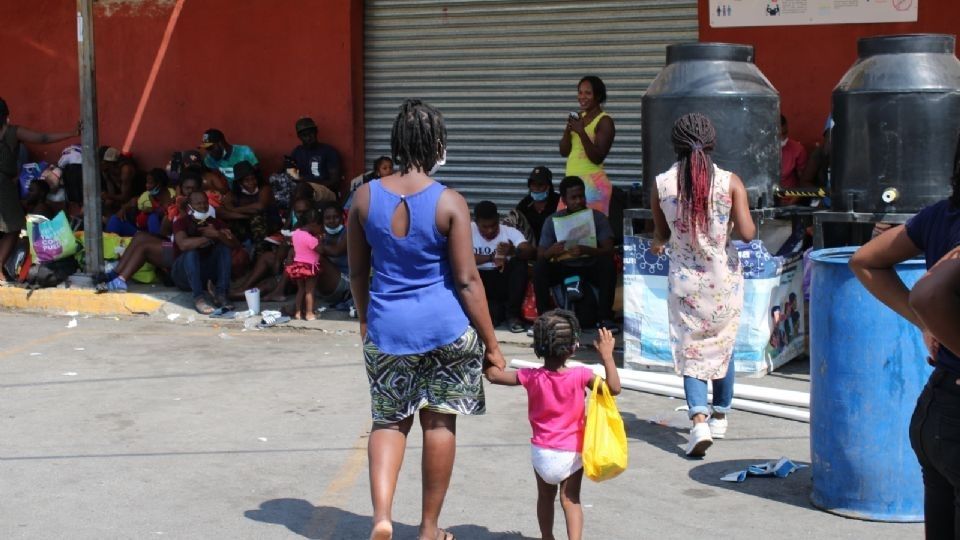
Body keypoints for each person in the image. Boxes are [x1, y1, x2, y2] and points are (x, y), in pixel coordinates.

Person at [346, 98, 505, 540]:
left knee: (388, 420)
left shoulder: (363, 197)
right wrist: (492, 345)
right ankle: (429, 529)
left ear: (397, 144)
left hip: (387, 327)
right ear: (437, 145)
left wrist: (364, 320)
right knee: (439, 421)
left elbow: (358, 271)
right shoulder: (449, 202)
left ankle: (382, 517)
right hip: (445, 329)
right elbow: (469, 280)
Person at [848, 132, 960, 538]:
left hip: (937, 412)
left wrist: (927, 324)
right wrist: (927, 317)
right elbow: (928, 292)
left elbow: (865, 260)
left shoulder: (940, 215)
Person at [650, 113, 756, 457]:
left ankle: (698, 421)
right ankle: (721, 413)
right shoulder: (730, 182)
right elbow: (749, 233)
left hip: (684, 284)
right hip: (722, 280)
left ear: (675, 146)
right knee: (722, 345)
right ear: (711, 143)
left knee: (691, 349)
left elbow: (662, 234)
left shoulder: (662, 184)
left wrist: (661, 239)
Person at [485, 311, 620, 540]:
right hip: (572, 452)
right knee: (570, 500)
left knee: (545, 498)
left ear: (538, 346)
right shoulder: (581, 375)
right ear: (573, 347)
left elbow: (494, 376)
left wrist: (488, 353)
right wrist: (606, 356)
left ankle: (547, 537)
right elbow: (613, 389)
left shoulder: (530, 376)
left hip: (542, 452)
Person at [0, 97, 79, 282]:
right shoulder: (11, 132)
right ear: (6, 116)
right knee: (14, 227)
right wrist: (71, 133)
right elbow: (42, 138)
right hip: (2, 184)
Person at [534, 176, 618, 331]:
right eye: (573, 197)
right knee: (539, 267)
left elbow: (609, 250)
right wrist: (550, 252)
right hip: (563, 267)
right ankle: (543, 318)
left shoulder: (597, 218)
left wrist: (588, 250)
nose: (578, 201)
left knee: (608, 264)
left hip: (590, 266)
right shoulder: (553, 220)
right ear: (564, 200)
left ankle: (605, 318)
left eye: (581, 196)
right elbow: (540, 255)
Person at [171, 190, 239, 314]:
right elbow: (183, 244)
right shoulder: (181, 222)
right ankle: (198, 298)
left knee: (223, 248)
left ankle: (221, 294)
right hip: (182, 275)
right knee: (191, 252)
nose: (202, 207)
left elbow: (234, 245)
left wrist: (218, 234)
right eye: (198, 204)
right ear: (190, 206)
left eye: (205, 203)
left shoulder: (214, 222)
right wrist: (208, 237)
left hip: (204, 274)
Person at [472, 200, 535, 332]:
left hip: (503, 281)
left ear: (498, 218)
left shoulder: (509, 232)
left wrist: (513, 251)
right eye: (484, 227)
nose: (489, 230)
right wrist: (492, 257)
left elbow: (529, 250)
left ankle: (513, 315)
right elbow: (461, 256)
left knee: (519, 263)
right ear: (476, 222)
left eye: (493, 225)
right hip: (479, 282)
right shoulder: (467, 231)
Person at [559, 76, 615, 215]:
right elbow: (564, 151)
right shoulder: (578, 117)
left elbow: (597, 157)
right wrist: (568, 129)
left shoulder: (605, 121)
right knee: (566, 232)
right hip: (571, 183)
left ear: (598, 96)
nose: (582, 97)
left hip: (593, 186)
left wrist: (581, 131)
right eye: (580, 92)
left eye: (588, 93)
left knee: (589, 234)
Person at [285, 209, 323, 321]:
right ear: (314, 224)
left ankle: (297, 312)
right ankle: (309, 313)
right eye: (320, 226)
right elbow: (320, 250)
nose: (321, 229)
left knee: (300, 290)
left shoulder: (296, 234)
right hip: (309, 267)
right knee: (310, 291)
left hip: (298, 266)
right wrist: (320, 240)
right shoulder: (311, 239)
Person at [291, 116, 342, 196]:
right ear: (299, 137)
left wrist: (309, 183)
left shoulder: (328, 151)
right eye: (304, 135)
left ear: (316, 132)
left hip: (326, 191)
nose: (308, 138)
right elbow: (289, 173)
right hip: (303, 191)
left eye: (311, 133)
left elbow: (335, 181)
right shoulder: (297, 152)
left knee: (302, 189)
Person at [516, 166, 560, 247]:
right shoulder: (525, 204)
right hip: (530, 249)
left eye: (540, 185)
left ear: (548, 186)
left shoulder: (559, 201)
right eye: (533, 184)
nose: (536, 188)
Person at [100, 146, 141, 216]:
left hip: (135, 199)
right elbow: (111, 193)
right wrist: (108, 197)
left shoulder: (126, 170)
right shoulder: (106, 171)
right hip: (121, 199)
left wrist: (108, 196)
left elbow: (125, 197)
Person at [779, 114, 808, 206]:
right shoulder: (760, 151)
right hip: (767, 201)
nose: (783, 138)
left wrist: (792, 201)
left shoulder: (797, 150)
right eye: (779, 135)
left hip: (790, 201)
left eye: (785, 133)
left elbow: (804, 182)